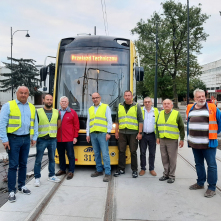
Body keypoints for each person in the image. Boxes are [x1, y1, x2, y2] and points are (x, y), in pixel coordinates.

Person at [0, 86, 38, 203]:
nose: (23, 95)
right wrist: (4, 139)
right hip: (13, 139)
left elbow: (35, 123)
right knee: (13, 165)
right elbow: (2, 123)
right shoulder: (8, 105)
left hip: (26, 139)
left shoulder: (31, 107)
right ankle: (12, 190)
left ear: (28, 94)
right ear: (17, 94)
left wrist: (34, 137)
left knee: (23, 164)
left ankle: (22, 186)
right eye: (21, 93)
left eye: (25, 93)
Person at [186, 88, 221, 198]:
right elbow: (188, 122)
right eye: (199, 96)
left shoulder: (212, 107)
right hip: (195, 143)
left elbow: (219, 122)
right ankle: (200, 183)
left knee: (211, 165)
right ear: (195, 98)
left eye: (203, 96)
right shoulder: (189, 108)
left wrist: (214, 134)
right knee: (198, 164)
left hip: (208, 144)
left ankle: (211, 187)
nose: (201, 98)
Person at [114, 90, 143, 178]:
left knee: (133, 151)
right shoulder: (120, 106)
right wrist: (116, 132)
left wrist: (140, 133)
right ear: (124, 97)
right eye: (126, 95)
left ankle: (134, 170)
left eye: (129, 95)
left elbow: (140, 120)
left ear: (132, 96)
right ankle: (121, 169)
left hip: (133, 133)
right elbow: (117, 120)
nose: (127, 97)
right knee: (121, 151)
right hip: (122, 133)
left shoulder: (136, 106)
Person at [34, 94, 61, 187]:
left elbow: (58, 124)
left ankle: (52, 175)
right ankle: (37, 178)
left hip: (52, 139)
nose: (49, 101)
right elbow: (35, 125)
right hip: (42, 139)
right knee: (38, 160)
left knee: (52, 159)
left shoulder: (56, 112)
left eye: (51, 100)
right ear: (43, 100)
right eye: (47, 99)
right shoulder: (38, 111)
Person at [156, 99, 185, 183]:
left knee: (172, 158)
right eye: (164, 104)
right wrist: (157, 137)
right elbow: (157, 126)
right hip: (162, 139)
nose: (166, 105)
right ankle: (166, 174)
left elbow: (181, 127)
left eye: (168, 103)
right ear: (163, 105)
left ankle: (172, 176)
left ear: (172, 105)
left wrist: (182, 139)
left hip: (172, 140)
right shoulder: (160, 113)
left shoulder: (176, 114)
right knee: (164, 158)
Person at [86, 92, 112, 182]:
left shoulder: (105, 107)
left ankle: (108, 173)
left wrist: (109, 132)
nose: (95, 99)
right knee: (96, 153)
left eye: (97, 97)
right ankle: (99, 170)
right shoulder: (90, 109)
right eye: (93, 98)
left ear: (100, 98)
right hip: (93, 134)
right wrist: (87, 134)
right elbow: (88, 122)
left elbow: (109, 120)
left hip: (103, 134)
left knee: (105, 154)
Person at [56, 96, 80, 180]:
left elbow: (76, 126)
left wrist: (75, 137)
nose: (63, 103)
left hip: (69, 139)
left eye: (65, 101)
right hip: (59, 138)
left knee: (70, 155)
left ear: (68, 103)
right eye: (62, 101)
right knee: (61, 155)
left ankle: (71, 171)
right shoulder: (56, 112)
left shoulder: (73, 113)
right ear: (60, 103)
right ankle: (62, 169)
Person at [139, 97, 159, 176]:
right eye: (145, 102)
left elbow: (158, 124)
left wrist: (158, 136)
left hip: (152, 135)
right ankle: (143, 168)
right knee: (142, 153)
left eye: (148, 102)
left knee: (152, 153)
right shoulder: (140, 110)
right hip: (143, 135)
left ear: (151, 102)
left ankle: (151, 169)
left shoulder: (156, 111)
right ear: (143, 103)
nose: (147, 103)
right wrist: (139, 133)